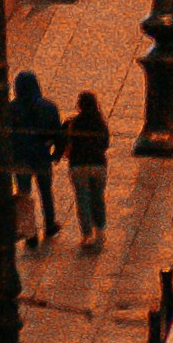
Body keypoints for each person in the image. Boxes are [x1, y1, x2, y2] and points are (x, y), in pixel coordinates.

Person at [9, 71, 66, 244]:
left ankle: (30, 233)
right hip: (41, 155)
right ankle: (49, 225)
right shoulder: (49, 107)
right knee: (46, 191)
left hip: (20, 157)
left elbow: (6, 135)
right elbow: (57, 133)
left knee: (24, 195)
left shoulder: (11, 109)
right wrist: (57, 153)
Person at [65, 90, 110, 246]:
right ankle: (100, 230)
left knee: (82, 199)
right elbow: (105, 145)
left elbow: (69, 146)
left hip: (78, 165)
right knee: (98, 198)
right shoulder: (100, 123)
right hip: (98, 164)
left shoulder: (74, 123)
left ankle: (87, 234)